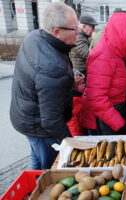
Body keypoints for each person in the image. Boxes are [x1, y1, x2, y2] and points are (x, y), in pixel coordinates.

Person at [10, 2, 78, 170]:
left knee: (36, 159)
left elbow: (39, 78)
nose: (79, 32)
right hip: (38, 125)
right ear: (56, 31)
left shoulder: (36, 36)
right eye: (74, 28)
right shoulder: (53, 67)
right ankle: (37, 190)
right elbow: (51, 121)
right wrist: (70, 143)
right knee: (49, 169)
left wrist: (69, 79)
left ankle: (32, 187)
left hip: (24, 115)